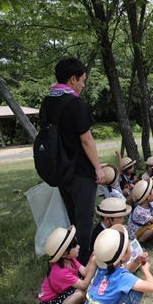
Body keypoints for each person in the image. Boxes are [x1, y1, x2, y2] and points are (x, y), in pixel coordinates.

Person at [41, 58, 105, 266]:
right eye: (82, 80)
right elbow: (86, 139)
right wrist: (98, 167)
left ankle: (70, 259)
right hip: (80, 171)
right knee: (84, 220)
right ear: (72, 79)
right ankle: (84, 264)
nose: (83, 85)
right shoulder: (76, 104)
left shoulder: (48, 101)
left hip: (59, 170)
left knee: (73, 219)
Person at [82, 224, 153, 304]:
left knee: (125, 289)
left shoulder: (103, 268)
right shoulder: (122, 277)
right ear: (123, 256)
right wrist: (146, 271)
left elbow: (123, 276)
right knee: (136, 292)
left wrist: (135, 262)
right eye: (129, 245)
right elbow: (151, 287)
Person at [39, 226, 97, 304]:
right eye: (75, 246)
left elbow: (84, 271)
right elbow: (84, 284)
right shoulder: (60, 272)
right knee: (80, 292)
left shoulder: (70, 259)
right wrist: (93, 265)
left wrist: (91, 258)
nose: (79, 246)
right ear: (65, 253)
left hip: (60, 293)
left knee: (84, 288)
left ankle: (78, 301)